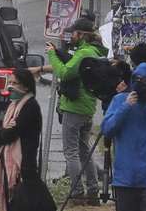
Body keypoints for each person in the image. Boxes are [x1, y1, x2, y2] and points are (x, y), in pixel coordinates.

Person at [29, 17, 105, 205]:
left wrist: (52, 54)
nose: (72, 36)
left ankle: (77, 192)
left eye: (75, 33)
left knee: (71, 151)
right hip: (87, 107)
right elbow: (70, 65)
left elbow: (64, 72)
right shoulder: (94, 52)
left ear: (82, 35)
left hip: (75, 107)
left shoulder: (84, 52)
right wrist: (48, 63)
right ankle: (93, 190)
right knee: (84, 150)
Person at [102, 61, 146, 211]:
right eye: (137, 79)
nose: (141, 84)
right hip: (125, 179)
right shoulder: (120, 100)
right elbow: (107, 129)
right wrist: (125, 107)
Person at [0, 69, 43, 211]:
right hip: (9, 163)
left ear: (26, 86)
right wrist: (5, 131)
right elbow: (0, 133)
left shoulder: (30, 106)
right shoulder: (12, 106)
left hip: (23, 164)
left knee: (22, 203)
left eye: (15, 83)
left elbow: (10, 134)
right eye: (9, 82)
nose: (10, 87)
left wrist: (5, 132)